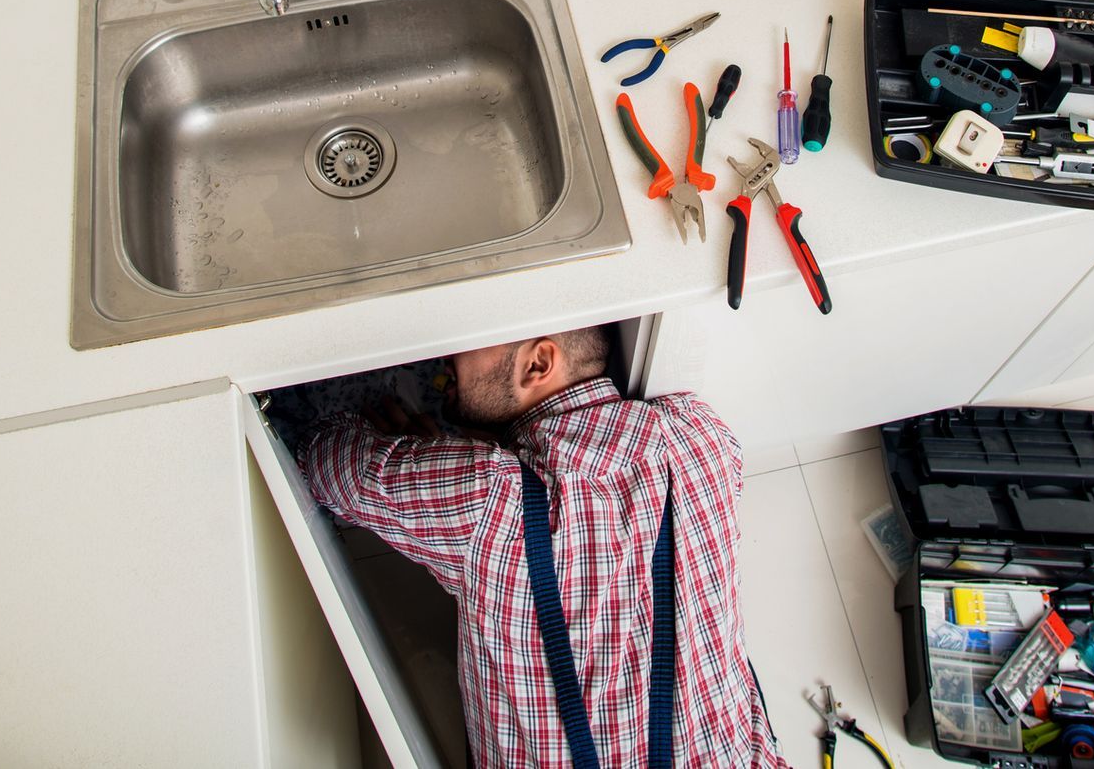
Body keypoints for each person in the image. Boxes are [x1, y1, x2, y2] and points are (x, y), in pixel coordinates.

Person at [300, 326, 790, 768]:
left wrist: (423, 466)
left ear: (538, 363)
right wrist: (443, 469)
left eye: (473, 332)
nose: (449, 348)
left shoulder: (488, 498)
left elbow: (321, 457)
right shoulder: (697, 437)